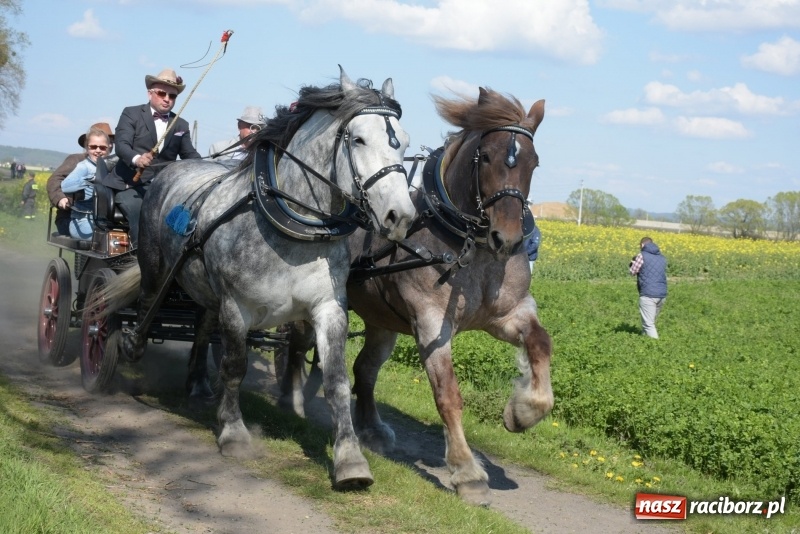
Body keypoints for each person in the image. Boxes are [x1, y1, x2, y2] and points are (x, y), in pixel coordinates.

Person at [101, 68, 201, 247]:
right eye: (162, 93)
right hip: (129, 186)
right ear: (150, 93)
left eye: (172, 96)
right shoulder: (131, 114)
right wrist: (137, 159)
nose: (167, 99)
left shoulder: (181, 124)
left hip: (163, 189)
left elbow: (190, 156)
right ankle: (141, 261)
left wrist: (211, 167)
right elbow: (121, 145)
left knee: (187, 217)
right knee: (143, 214)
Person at [47, 122, 115, 236]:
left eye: (110, 142)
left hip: (104, 219)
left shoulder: (114, 165)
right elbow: (54, 180)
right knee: (99, 238)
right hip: (72, 217)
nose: (98, 149)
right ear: (87, 145)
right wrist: (61, 199)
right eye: (94, 146)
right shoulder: (77, 160)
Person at [629, 236, 668, 339]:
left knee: (648, 324)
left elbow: (633, 272)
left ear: (642, 245)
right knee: (649, 322)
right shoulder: (662, 257)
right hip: (662, 295)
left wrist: (632, 263)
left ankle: (655, 348)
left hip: (648, 294)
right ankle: (643, 340)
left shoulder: (642, 255)